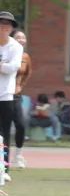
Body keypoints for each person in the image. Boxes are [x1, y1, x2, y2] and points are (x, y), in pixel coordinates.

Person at [0, 12, 23, 179]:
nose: (3, 27)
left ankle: (4, 169)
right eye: (1, 24)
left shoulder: (16, 47)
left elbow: (13, 68)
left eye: (7, 25)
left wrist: (2, 66)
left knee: (4, 133)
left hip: (6, 95)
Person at [10, 30, 29, 168]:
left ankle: (18, 155)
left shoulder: (26, 57)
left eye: (23, 37)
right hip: (2, 94)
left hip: (15, 96)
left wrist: (19, 86)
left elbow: (27, 74)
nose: (21, 39)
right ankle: (2, 161)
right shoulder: (5, 53)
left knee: (21, 125)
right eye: (18, 37)